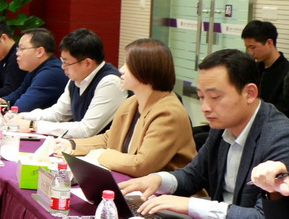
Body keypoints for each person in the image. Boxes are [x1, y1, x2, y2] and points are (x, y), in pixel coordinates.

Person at [119, 49, 289, 218]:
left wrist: (191, 205)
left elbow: (263, 216)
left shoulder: (280, 137)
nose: (205, 108)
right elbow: (194, 175)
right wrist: (157, 180)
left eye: (214, 97)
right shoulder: (222, 126)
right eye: (201, 97)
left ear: (249, 93)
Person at [52, 39, 195, 177]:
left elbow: (141, 165)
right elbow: (110, 138)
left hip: (166, 191)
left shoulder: (168, 113)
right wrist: (72, 145)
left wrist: (102, 156)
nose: (121, 70)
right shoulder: (132, 102)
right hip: (134, 183)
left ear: (146, 69)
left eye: (128, 65)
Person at [13, 28, 126, 138]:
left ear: (87, 63)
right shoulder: (76, 78)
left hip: (104, 148)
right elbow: (58, 113)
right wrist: (23, 117)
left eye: (67, 63)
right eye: (62, 61)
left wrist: (34, 125)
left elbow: (86, 130)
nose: (63, 67)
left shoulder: (110, 83)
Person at [0, 28, 67, 112]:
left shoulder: (50, 73)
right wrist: (4, 100)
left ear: (40, 52)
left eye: (22, 49)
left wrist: (8, 107)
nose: (17, 53)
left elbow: (22, 107)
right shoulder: (36, 68)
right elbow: (20, 92)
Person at [242, 20, 289, 114]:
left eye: (253, 47)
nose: (250, 52)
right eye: (247, 48)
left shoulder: (286, 74)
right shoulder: (253, 69)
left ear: (269, 43)